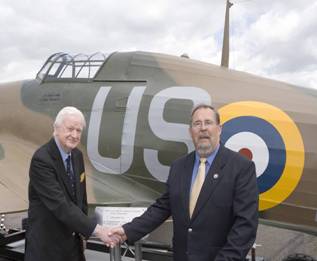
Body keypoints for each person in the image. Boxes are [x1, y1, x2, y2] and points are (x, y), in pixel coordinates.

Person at [109, 104, 259, 261]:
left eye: (208, 122)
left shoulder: (241, 167)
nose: (203, 128)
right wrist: (127, 231)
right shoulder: (179, 167)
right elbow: (162, 207)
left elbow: (246, 225)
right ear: (191, 131)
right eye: (197, 123)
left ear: (219, 129)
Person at [25, 106, 117, 261]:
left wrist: (82, 234)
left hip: (73, 247)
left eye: (79, 130)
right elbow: (60, 205)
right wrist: (96, 230)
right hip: (47, 249)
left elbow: (81, 200)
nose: (74, 135)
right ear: (56, 128)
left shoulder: (77, 155)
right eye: (70, 129)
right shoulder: (42, 160)